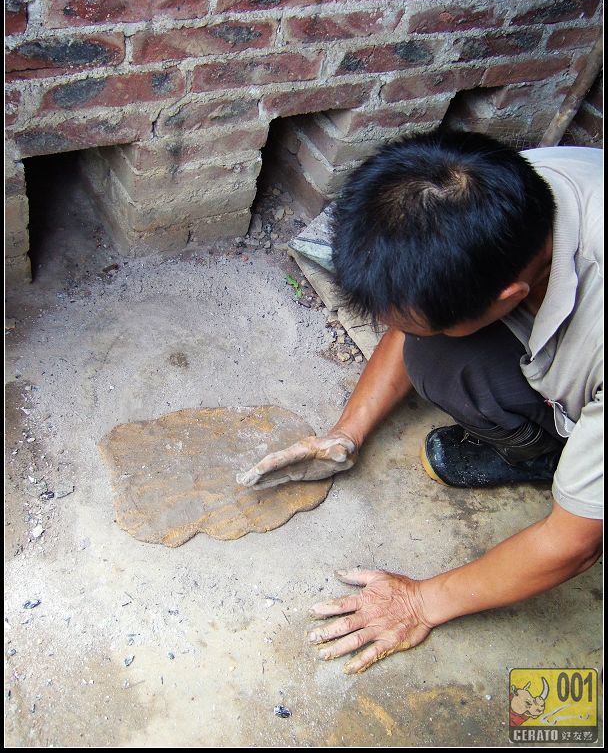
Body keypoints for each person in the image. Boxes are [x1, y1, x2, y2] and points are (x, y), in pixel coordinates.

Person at [237, 130, 603, 675]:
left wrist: (420, 603)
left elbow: (574, 545)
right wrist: (345, 434)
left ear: (508, 298)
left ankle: (555, 456)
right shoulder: (488, 193)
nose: (400, 329)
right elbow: (415, 305)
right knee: (434, 358)